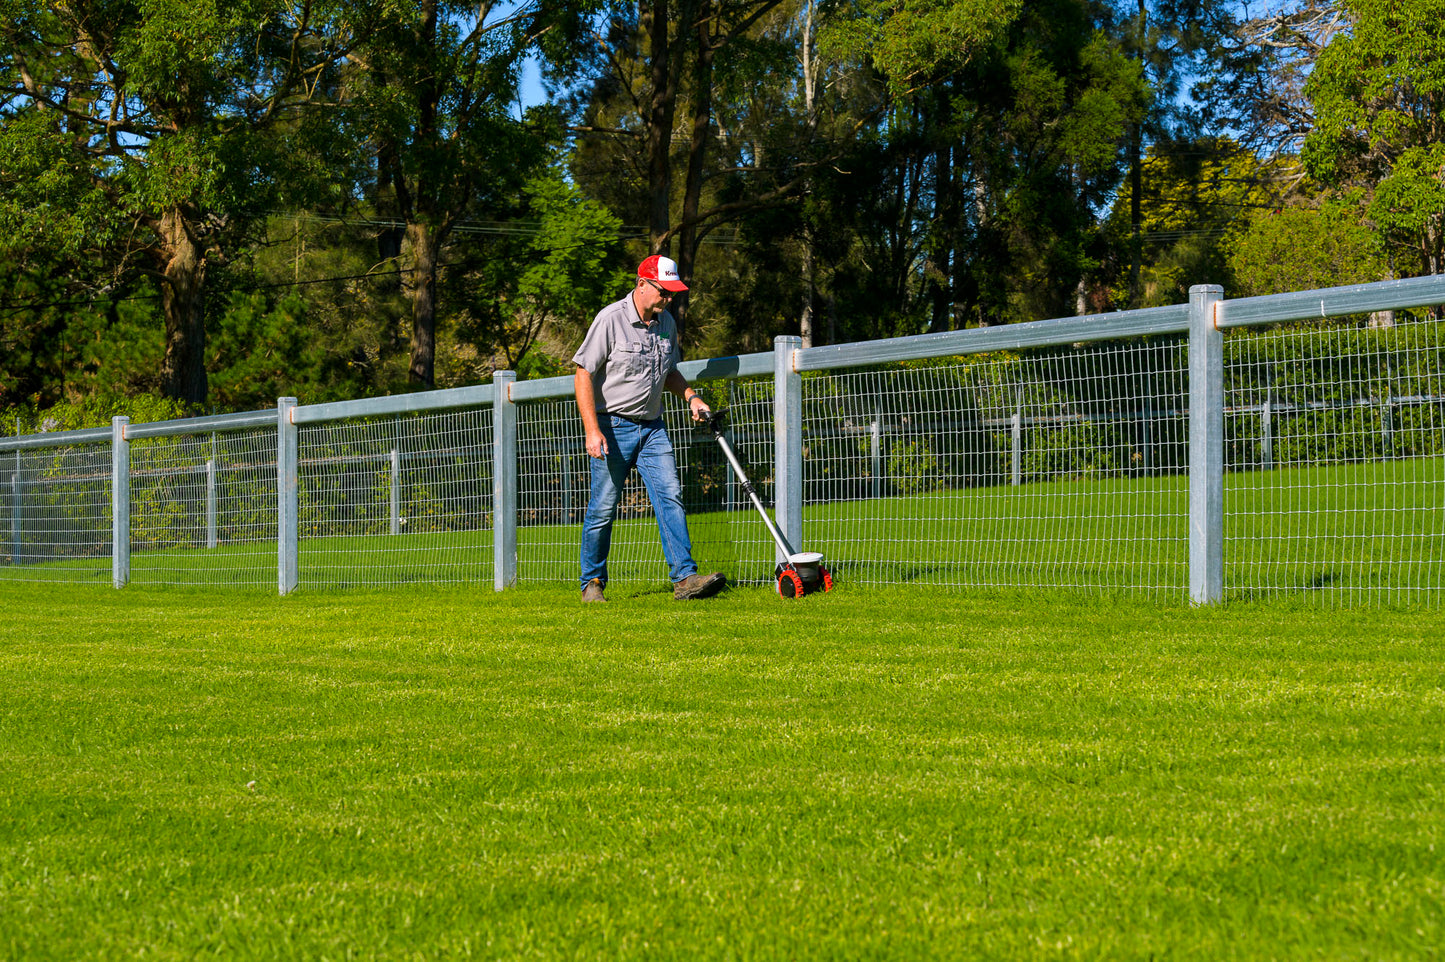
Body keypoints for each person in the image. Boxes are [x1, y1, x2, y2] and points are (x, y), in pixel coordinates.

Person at [572, 255, 727, 603]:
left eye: (672, 294)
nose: (668, 299)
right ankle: (592, 582)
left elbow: (669, 370)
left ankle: (685, 579)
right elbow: (583, 373)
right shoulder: (610, 320)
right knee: (603, 506)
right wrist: (592, 430)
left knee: (670, 495)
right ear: (642, 284)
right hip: (612, 425)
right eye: (663, 292)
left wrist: (690, 396)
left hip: (652, 428)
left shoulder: (666, 323)